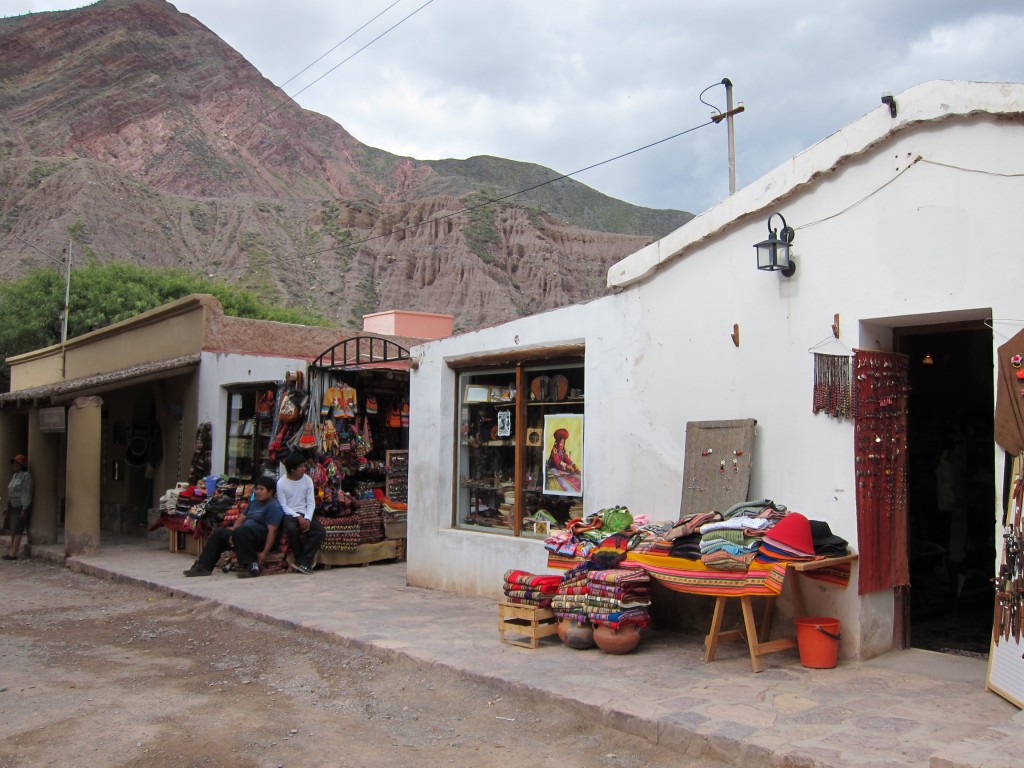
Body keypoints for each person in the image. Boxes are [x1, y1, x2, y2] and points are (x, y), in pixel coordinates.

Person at [183, 475, 283, 579]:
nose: (258, 492)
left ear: (271, 491)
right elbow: (241, 518)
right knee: (220, 533)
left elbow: (273, 532)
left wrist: (264, 553)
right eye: (257, 489)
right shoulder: (254, 503)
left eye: (262, 489)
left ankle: (251, 567)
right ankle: (203, 566)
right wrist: (233, 534)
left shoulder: (273, 506)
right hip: (243, 535)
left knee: (241, 531)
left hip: (260, 539)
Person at [277, 452, 324, 575]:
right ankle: (303, 561)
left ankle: (302, 561)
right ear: (292, 469)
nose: (304, 469)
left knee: (320, 531)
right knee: (291, 529)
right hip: (290, 513)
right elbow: (283, 505)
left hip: (305, 512)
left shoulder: (307, 480)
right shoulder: (281, 483)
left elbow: (310, 502)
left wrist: (307, 518)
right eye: (301, 466)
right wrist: (298, 517)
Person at [3, 454, 33, 561]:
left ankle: (14, 553)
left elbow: (26, 492)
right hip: (12, 504)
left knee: (18, 529)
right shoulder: (15, 476)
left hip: (20, 505)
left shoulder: (26, 476)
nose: (14, 465)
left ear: (22, 465)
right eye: (14, 463)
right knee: (13, 529)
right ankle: (11, 550)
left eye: (17, 463)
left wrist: (24, 508)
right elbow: (11, 491)